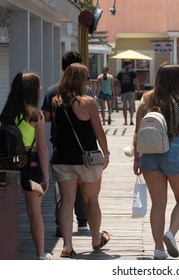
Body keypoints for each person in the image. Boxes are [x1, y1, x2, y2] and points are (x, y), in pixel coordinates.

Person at [133, 64, 179, 260]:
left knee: (158, 204)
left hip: (149, 154)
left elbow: (138, 129)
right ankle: (170, 233)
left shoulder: (146, 99)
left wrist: (137, 159)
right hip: (173, 151)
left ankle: (158, 249)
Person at [50, 63, 111, 257]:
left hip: (62, 158)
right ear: (82, 80)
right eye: (86, 78)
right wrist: (106, 153)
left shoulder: (55, 102)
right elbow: (99, 132)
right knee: (91, 199)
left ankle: (67, 246)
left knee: (67, 201)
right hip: (88, 159)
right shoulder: (89, 102)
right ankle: (95, 239)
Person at [0, 72, 52, 260]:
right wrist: (46, 176)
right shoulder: (35, 115)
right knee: (34, 212)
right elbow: (43, 149)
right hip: (31, 165)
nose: (40, 88)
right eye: (38, 86)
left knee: (7, 212)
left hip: (8, 165)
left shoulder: (6, 113)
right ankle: (40, 254)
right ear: (32, 90)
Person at [42, 51, 88, 237]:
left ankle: (61, 224)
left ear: (63, 67)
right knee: (82, 186)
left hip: (59, 145)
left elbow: (44, 116)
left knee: (62, 189)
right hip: (84, 147)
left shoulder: (52, 90)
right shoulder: (88, 91)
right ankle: (83, 222)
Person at [117, 60, 141, 125]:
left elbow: (118, 83)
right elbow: (136, 81)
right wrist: (138, 90)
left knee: (124, 106)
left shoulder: (120, 72)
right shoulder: (133, 71)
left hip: (123, 91)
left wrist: (119, 91)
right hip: (131, 90)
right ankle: (131, 120)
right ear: (130, 64)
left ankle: (125, 121)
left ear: (124, 64)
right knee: (131, 105)